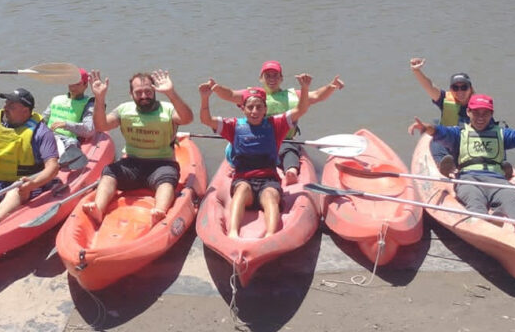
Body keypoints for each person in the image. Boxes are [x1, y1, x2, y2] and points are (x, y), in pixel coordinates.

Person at [408, 94, 515, 231]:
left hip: (497, 180)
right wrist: (426, 127)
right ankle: (486, 221)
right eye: (476, 112)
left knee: (510, 196)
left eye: (485, 113)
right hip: (469, 179)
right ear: (468, 112)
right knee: (474, 198)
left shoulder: (501, 134)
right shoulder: (459, 134)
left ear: (491, 114)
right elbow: (441, 132)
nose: (480, 117)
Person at [198, 74, 311, 238]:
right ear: (242, 108)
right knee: (242, 189)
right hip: (243, 180)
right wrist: (205, 99)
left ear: (265, 109)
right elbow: (206, 120)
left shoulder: (276, 124)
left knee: (271, 194)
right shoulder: (234, 126)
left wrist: (305, 88)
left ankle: (271, 236)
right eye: (250, 107)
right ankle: (233, 233)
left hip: (269, 180)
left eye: (259, 107)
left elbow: (301, 110)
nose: (254, 111)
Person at [82, 69, 194, 225]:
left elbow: (187, 118)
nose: (143, 96)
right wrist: (99, 98)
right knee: (109, 172)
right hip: (132, 163)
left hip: (162, 163)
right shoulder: (124, 110)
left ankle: (159, 211)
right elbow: (101, 125)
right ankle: (98, 209)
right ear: (131, 94)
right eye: (138, 92)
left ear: (155, 91)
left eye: (148, 91)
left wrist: (171, 93)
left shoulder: (168, 109)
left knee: (166, 181)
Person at [211, 60, 343, 185]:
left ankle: (291, 171)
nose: (272, 79)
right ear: (261, 78)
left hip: (285, 140)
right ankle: (238, 167)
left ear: (281, 78)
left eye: (275, 75)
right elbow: (229, 95)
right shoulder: (251, 95)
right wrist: (216, 88)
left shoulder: (292, 95)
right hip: (256, 138)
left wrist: (332, 86)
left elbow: (316, 96)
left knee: (288, 150)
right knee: (241, 148)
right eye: (267, 76)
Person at [0, 86, 60, 227]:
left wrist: (33, 183)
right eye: (6, 103)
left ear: (25, 110)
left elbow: (53, 167)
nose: (6, 107)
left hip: (26, 185)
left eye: (11, 105)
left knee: (15, 190)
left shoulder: (42, 132)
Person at [409, 57, 475, 177]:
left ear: (470, 89)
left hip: (471, 143)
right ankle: (443, 165)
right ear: (451, 90)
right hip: (450, 141)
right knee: (437, 141)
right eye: (456, 88)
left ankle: (499, 166)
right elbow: (430, 87)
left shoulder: (480, 105)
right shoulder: (445, 100)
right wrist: (417, 71)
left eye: (464, 87)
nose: (460, 91)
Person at [43, 68, 95, 167]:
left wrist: (66, 125)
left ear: (85, 85)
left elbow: (89, 130)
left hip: (67, 139)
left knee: (72, 142)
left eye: (77, 84)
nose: (73, 87)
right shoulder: (56, 99)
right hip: (47, 136)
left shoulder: (89, 103)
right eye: (71, 83)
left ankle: (64, 162)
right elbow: (43, 120)